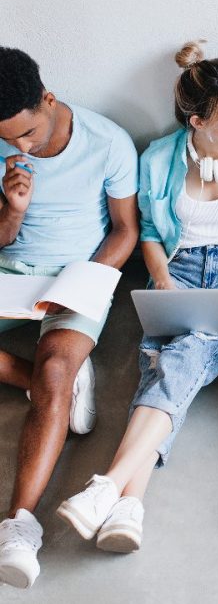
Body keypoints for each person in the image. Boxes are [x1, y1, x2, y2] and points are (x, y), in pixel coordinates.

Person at [57, 40, 218, 554]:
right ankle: (127, 506)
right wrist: (161, 278)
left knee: (179, 357)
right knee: (162, 364)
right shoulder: (160, 157)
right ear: (196, 121)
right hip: (177, 272)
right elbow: (149, 235)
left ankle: (108, 484)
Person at [0, 47, 138, 588]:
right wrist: (12, 211)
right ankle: (38, 387)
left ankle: (20, 526)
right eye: (8, 138)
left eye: (26, 134)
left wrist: (79, 283)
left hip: (79, 273)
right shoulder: (3, 144)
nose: (19, 146)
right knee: (51, 383)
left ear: (48, 100)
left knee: (57, 368)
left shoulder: (108, 142)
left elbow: (125, 230)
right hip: (13, 272)